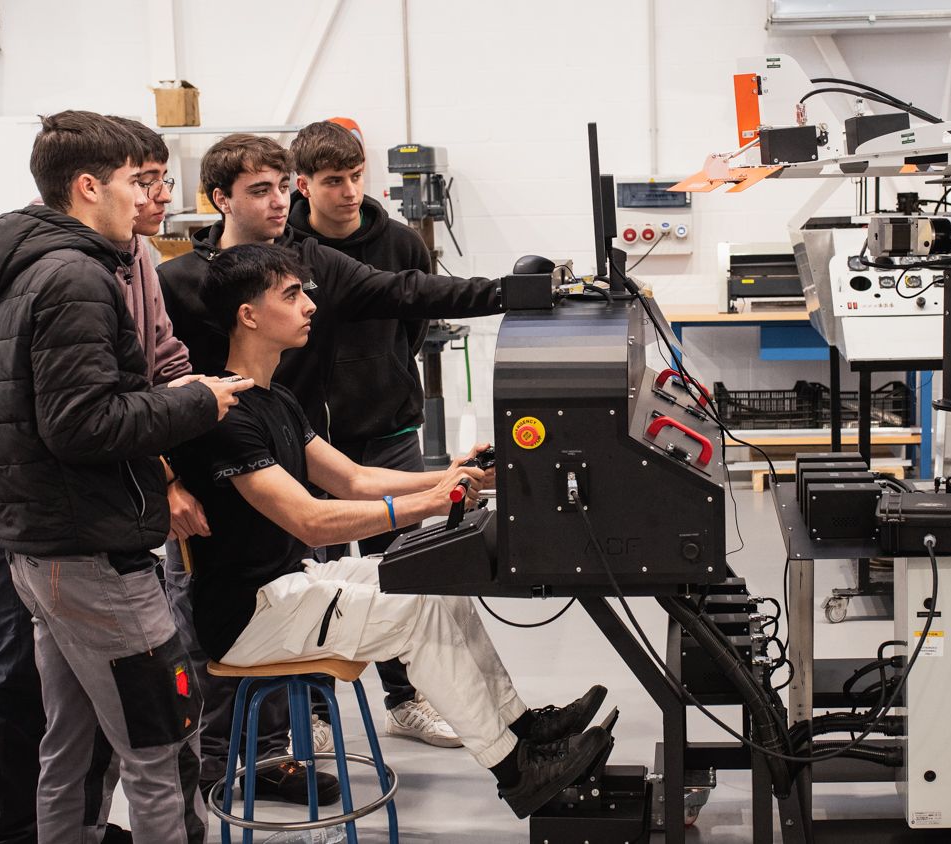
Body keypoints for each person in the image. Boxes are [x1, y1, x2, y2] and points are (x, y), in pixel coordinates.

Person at [169, 242, 613, 818]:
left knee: (429, 579)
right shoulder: (224, 417)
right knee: (415, 614)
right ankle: (515, 771)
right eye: (292, 294)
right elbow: (308, 517)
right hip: (246, 612)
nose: (309, 305)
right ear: (248, 316)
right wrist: (429, 503)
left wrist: (449, 474)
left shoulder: (276, 398)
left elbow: (351, 478)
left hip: (290, 582)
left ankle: (524, 727)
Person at [158, 133, 507, 781]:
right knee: (215, 637)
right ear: (219, 199)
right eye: (259, 190)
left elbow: (410, 292)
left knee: (310, 593)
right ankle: (225, 769)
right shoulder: (175, 283)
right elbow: (147, 389)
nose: (278, 201)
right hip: (209, 478)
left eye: (282, 186)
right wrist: (169, 482)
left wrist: (516, 292)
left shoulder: (308, 261)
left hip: (286, 450)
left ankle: (292, 742)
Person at [0, 110, 252, 844]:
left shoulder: (36, 266)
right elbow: (83, 424)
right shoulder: (75, 278)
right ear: (89, 186)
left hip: (49, 548)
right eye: (139, 180)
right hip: (92, 553)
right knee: (165, 750)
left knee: (71, 746)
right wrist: (198, 400)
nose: (150, 196)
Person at [288, 119, 449, 747]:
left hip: (390, 433)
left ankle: (405, 698)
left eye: (357, 176)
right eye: (334, 181)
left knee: (400, 573)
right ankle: (319, 710)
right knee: (317, 581)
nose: (350, 191)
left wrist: (381, 381)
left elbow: (413, 330)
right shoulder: (284, 250)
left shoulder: (403, 245)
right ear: (303, 185)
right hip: (310, 441)